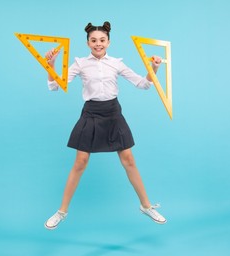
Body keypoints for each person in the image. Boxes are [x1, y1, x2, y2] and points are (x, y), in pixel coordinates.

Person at [44, 21, 166, 230]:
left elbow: (143, 84)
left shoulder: (116, 63)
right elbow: (55, 86)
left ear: (108, 42)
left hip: (113, 113)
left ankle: (146, 206)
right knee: (80, 162)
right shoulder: (80, 63)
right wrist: (51, 64)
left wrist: (154, 67)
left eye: (102, 40)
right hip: (91, 113)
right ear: (88, 43)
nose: (98, 44)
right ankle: (61, 212)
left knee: (128, 159)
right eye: (94, 40)